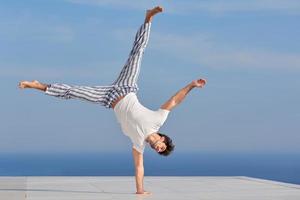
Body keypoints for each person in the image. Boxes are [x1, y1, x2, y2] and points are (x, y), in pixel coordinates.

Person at [19, 6, 206, 195]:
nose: (159, 149)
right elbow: (174, 101)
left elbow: (139, 167)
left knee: (73, 92)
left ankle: (37, 85)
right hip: (127, 87)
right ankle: (148, 18)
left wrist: (140, 191)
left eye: (160, 151)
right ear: (163, 139)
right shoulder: (158, 120)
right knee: (137, 53)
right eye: (162, 147)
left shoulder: (138, 143)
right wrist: (191, 85)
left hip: (108, 98)